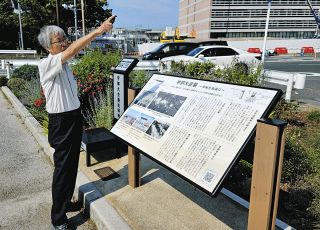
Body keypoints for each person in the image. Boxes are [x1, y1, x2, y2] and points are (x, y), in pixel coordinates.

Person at [37, 15, 116, 230]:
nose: (64, 43)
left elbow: (71, 51)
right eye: (59, 40)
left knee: (72, 164)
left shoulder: (63, 60)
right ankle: (58, 219)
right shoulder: (47, 63)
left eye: (65, 39)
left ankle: (66, 202)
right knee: (62, 169)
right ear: (47, 46)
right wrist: (98, 31)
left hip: (73, 117)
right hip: (60, 122)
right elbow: (71, 51)